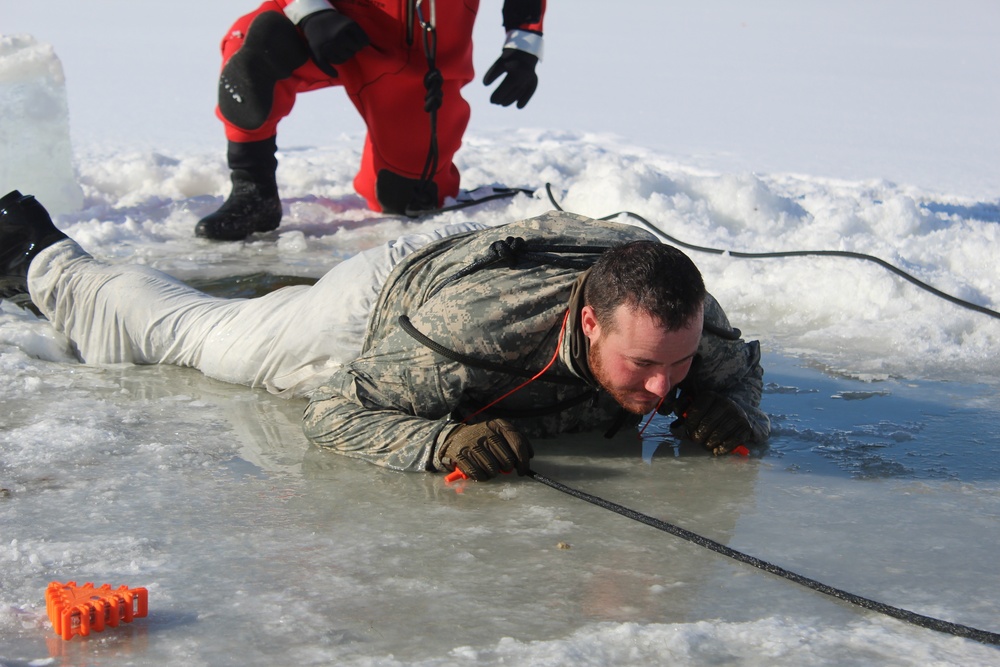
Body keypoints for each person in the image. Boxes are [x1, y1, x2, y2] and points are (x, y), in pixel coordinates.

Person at [2, 189, 770, 481]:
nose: (665, 386)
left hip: (486, 262)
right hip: (380, 303)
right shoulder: (471, 334)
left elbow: (733, 372)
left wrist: (732, 405)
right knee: (207, 337)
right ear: (590, 322)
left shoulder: (688, 315)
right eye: (642, 366)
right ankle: (37, 255)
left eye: (679, 363)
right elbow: (335, 408)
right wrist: (438, 444)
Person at [196, 0, 547, 241]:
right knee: (255, 49)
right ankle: (252, 190)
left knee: (407, 199)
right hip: (328, 22)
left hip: (414, 59)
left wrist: (524, 41)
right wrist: (311, 11)